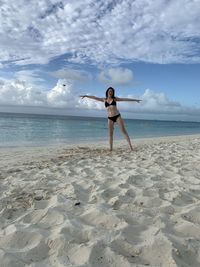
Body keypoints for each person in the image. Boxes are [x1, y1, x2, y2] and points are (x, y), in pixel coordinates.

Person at [80, 87, 142, 151]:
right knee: (110, 134)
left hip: (117, 116)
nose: (110, 92)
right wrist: (86, 96)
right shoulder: (104, 100)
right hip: (110, 118)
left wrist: (135, 100)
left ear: (113, 93)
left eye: (112, 91)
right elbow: (95, 97)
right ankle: (111, 149)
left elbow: (125, 99)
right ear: (107, 92)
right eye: (109, 91)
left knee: (123, 131)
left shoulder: (115, 99)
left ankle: (131, 147)